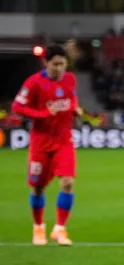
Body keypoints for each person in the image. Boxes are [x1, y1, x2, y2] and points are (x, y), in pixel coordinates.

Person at [12, 45, 82, 246]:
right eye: (55, 64)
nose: (59, 68)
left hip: (64, 141)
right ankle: (38, 228)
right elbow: (17, 107)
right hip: (41, 143)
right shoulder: (33, 83)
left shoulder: (70, 79)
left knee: (68, 182)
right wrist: (43, 114)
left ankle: (60, 229)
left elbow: (71, 97)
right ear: (46, 63)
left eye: (62, 64)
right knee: (38, 188)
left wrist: (75, 109)